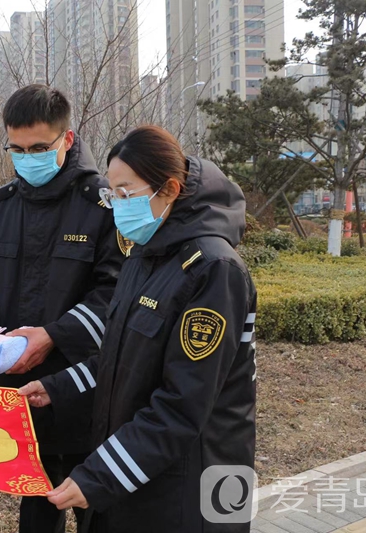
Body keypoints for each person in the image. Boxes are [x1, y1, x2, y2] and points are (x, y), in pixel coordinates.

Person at [19, 125, 258, 532]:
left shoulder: (213, 270)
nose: (117, 207)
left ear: (169, 189)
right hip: (136, 479)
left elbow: (181, 405)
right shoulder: (145, 256)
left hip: (186, 490)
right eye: (114, 194)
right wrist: (56, 388)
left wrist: (96, 477)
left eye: (127, 194)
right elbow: (120, 357)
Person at [0, 84, 124, 532]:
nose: (26, 157)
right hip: (16, 388)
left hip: (83, 388)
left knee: (97, 507)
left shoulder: (105, 204)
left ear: (66, 140)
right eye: (17, 148)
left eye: (38, 148)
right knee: (34, 506)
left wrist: (53, 335)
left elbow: (117, 294)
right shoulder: (2, 206)